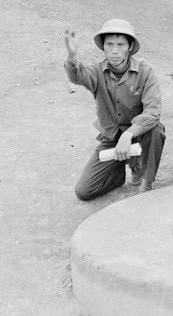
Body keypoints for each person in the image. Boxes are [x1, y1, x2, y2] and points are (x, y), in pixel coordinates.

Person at [64, 19, 166, 199]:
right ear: (103, 47)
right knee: (83, 191)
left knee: (156, 130)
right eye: (109, 44)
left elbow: (153, 112)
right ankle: (117, 173)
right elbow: (78, 77)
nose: (115, 50)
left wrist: (129, 134)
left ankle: (145, 178)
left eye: (121, 44)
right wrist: (72, 57)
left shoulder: (145, 71)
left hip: (139, 136)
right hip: (111, 137)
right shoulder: (96, 71)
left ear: (130, 47)